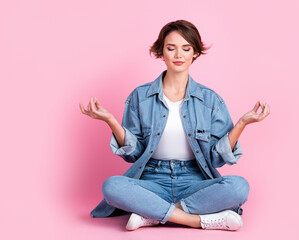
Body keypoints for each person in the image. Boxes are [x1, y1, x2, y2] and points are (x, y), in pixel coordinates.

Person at [79, 19, 270, 231]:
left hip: (195, 181)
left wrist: (243, 123)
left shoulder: (211, 100)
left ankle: (151, 215)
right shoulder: (140, 97)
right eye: (171, 48)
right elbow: (134, 154)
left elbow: (216, 159)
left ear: (195, 53)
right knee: (112, 187)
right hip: (152, 180)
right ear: (161, 52)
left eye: (186, 48)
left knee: (239, 187)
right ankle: (198, 221)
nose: (179, 55)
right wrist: (110, 121)